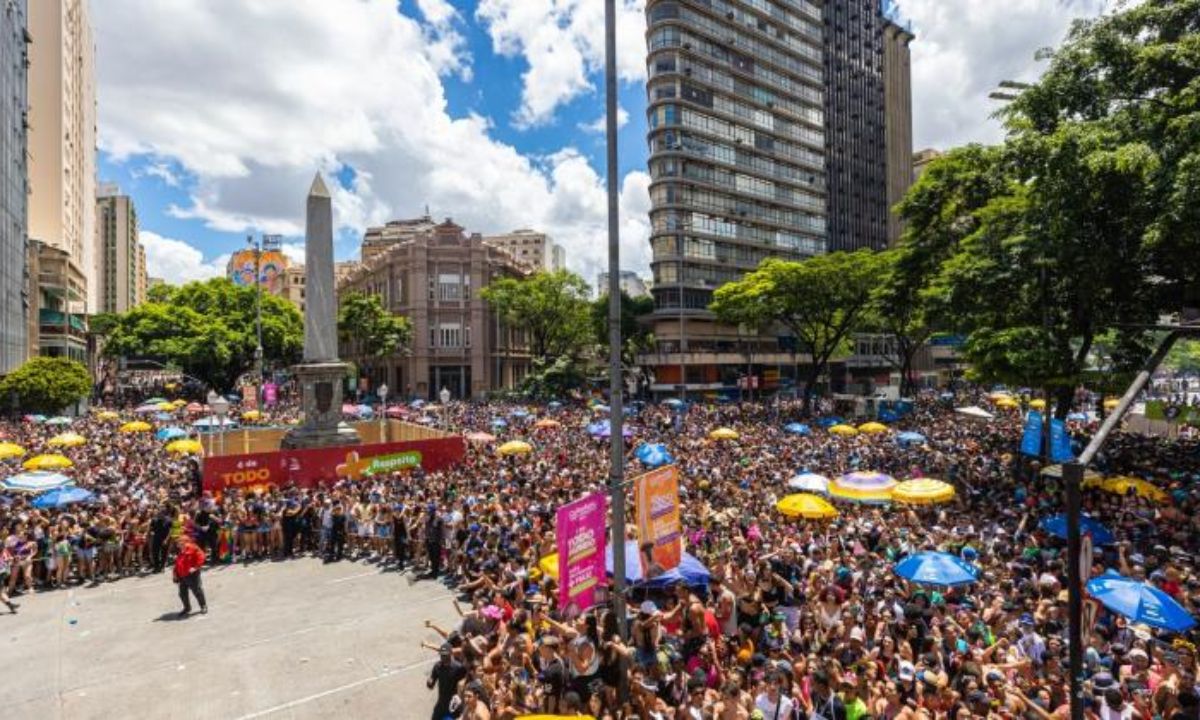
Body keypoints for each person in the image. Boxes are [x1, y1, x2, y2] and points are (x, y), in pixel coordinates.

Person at [427, 644, 466, 720]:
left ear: (451, 654)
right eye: (441, 655)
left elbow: (464, 686)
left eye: (445, 655)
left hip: (453, 706)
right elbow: (431, 684)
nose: (442, 657)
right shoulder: (437, 666)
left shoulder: (459, 668)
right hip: (441, 703)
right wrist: (429, 683)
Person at [172, 536, 207, 618]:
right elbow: (177, 564)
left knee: (197, 591)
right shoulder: (180, 550)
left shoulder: (193, 548)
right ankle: (187, 608)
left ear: (184, 541)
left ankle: (203, 606)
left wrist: (195, 567)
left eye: (179, 542)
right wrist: (175, 575)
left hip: (192, 575)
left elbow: (201, 557)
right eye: (177, 543)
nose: (177, 544)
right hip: (182, 575)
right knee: (182, 593)